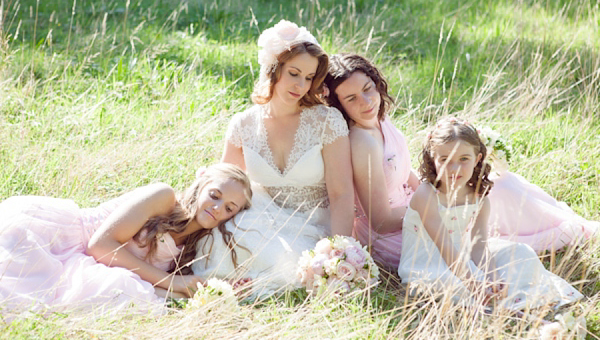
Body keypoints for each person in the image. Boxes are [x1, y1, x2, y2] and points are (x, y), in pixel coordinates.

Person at [324, 53, 598, 270]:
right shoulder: (362, 143)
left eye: (368, 89)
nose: (366, 101)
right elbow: (380, 220)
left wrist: (437, 189)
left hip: (419, 205)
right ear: (340, 106)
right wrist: (441, 204)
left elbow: (403, 171)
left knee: (496, 185)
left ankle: (569, 225)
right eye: (351, 98)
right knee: (488, 200)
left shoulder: (377, 117)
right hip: (399, 235)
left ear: (376, 82)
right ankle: (563, 232)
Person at [192, 20, 354, 296]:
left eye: (308, 77)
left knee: (288, 263)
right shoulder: (243, 124)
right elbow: (228, 185)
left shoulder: (327, 121)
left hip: (311, 225)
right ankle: (226, 287)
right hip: (259, 218)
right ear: (273, 69)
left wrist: (337, 252)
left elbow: (341, 194)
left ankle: (252, 285)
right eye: (294, 73)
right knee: (215, 241)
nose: (301, 85)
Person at [0, 163, 252, 319]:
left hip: (99, 266)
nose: (218, 208)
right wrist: (172, 281)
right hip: (65, 241)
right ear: (203, 183)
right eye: (215, 195)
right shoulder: (163, 198)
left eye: (229, 208)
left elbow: (147, 283)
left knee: (127, 294)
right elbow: (99, 246)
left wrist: (218, 292)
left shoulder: (196, 244)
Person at [397, 117, 582, 310]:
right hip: (427, 263)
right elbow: (444, 246)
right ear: (432, 159)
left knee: (520, 253)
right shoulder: (426, 194)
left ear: (477, 159)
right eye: (445, 160)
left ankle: (517, 297)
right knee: (458, 283)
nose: (455, 168)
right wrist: (473, 281)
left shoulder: (479, 198)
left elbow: (478, 247)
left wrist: (493, 276)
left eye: (464, 159)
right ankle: (500, 304)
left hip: (461, 254)